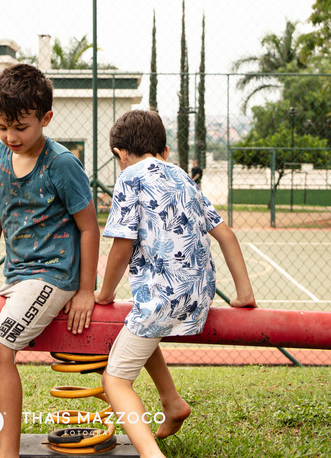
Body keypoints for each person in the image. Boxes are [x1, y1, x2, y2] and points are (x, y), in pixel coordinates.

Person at [0, 63, 100, 458]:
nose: (10, 136)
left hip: (53, 277)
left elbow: (89, 227)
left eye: (20, 127)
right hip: (16, 277)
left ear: (45, 118)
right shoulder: (0, 156)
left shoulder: (61, 164)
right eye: (2, 126)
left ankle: (8, 455)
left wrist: (85, 290)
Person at [95, 109, 257, 458]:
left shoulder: (129, 177)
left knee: (115, 380)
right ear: (165, 151)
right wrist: (244, 294)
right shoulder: (183, 177)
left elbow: (121, 246)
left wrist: (104, 293)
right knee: (140, 330)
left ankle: (151, 454)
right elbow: (226, 236)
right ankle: (172, 402)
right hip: (199, 295)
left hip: (162, 299)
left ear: (120, 155)